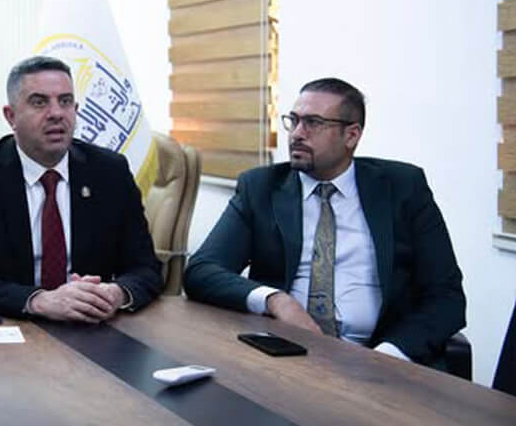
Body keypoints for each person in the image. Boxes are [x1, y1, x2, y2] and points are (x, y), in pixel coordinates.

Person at [184, 77, 466, 367]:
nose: (297, 134)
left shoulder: (403, 188)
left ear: (351, 136)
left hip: (377, 359)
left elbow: (447, 298)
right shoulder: (261, 188)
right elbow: (202, 270)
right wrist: (276, 300)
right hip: (283, 356)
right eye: (294, 121)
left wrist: (388, 357)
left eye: (313, 123)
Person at [0, 55, 162, 322]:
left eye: (65, 101)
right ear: (11, 116)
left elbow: (146, 268)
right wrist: (37, 300)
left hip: (91, 326)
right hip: (9, 327)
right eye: (39, 102)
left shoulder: (109, 172)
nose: (56, 113)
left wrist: (116, 293)